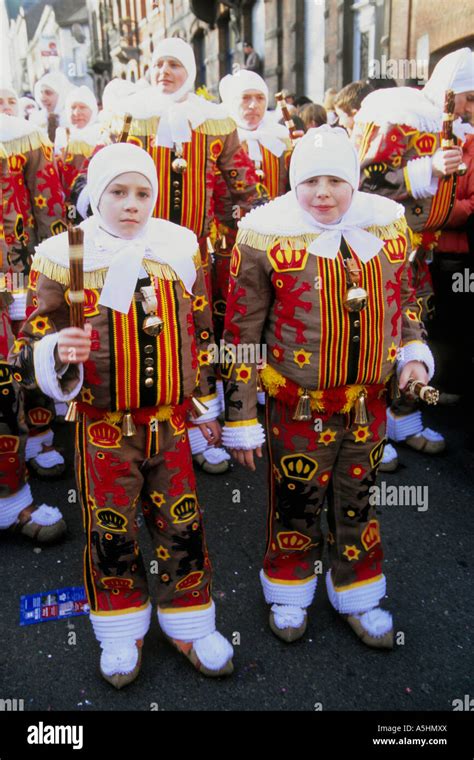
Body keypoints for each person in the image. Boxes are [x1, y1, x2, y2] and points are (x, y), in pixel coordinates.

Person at [10, 142, 234, 687]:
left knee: (182, 522)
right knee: (111, 527)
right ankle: (119, 626)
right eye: (117, 192)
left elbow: (200, 331)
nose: (131, 204)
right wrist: (56, 350)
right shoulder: (67, 255)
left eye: (143, 193)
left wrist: (207, 405)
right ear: (96, 195)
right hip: (105, 426)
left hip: (171, 422)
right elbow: (30, 336)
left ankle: (187, 619)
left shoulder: (178, 247)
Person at [221, 126, 434, 649]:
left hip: (369, 402)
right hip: (298, 405)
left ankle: (358, 590)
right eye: (310, 180)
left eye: (336, 180)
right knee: (295, 495)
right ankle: (289, 587)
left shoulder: (386, 231)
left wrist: (412, 357)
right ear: (294, 184)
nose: (323, 192)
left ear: (355, 183)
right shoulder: (264, 238)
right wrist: (241, 413)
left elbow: (406, 301)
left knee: (357, 496)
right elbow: (242, 332)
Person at [97, 37, 268, 474]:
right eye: (158, 64)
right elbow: (100, 177)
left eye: (174, 64)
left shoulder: (215, 122)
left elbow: (243, 188)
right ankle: (146, 422)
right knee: (147, 332)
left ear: (189, 70)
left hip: (194, 255)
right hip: (133, 249)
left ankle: (201, 419)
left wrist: (256, 231)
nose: (164, 72)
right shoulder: (130, 116)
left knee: (197, 333)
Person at [354, 47, 473, 470]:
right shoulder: (400, 115)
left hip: (418, 253)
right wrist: (422, 171)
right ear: (449, 92)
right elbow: (361, 181)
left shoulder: (456, 129)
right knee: (378, 337)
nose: (472, 108)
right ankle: (371, 429)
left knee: (412, 334)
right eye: (470, 98)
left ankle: (404, 414)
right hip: (380, 255)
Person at [0, 86, 67, 543]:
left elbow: (48, 207)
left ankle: (14, 488)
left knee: (16, 361)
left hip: (11, 271)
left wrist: (44, 271)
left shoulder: (23, 138)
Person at [55, 86, 104, 207]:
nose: (77, 113)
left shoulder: (102, 134)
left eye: (82, 107)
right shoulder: (63, 135)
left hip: (92, 197)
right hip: (66, 198)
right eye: (72, 108)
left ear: (92, 109)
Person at [31, 71, 73, 143]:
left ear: (61, 95)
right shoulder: (36, 118)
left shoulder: (73, 118)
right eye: (41, 92)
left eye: (48, 93)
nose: (43, 98)